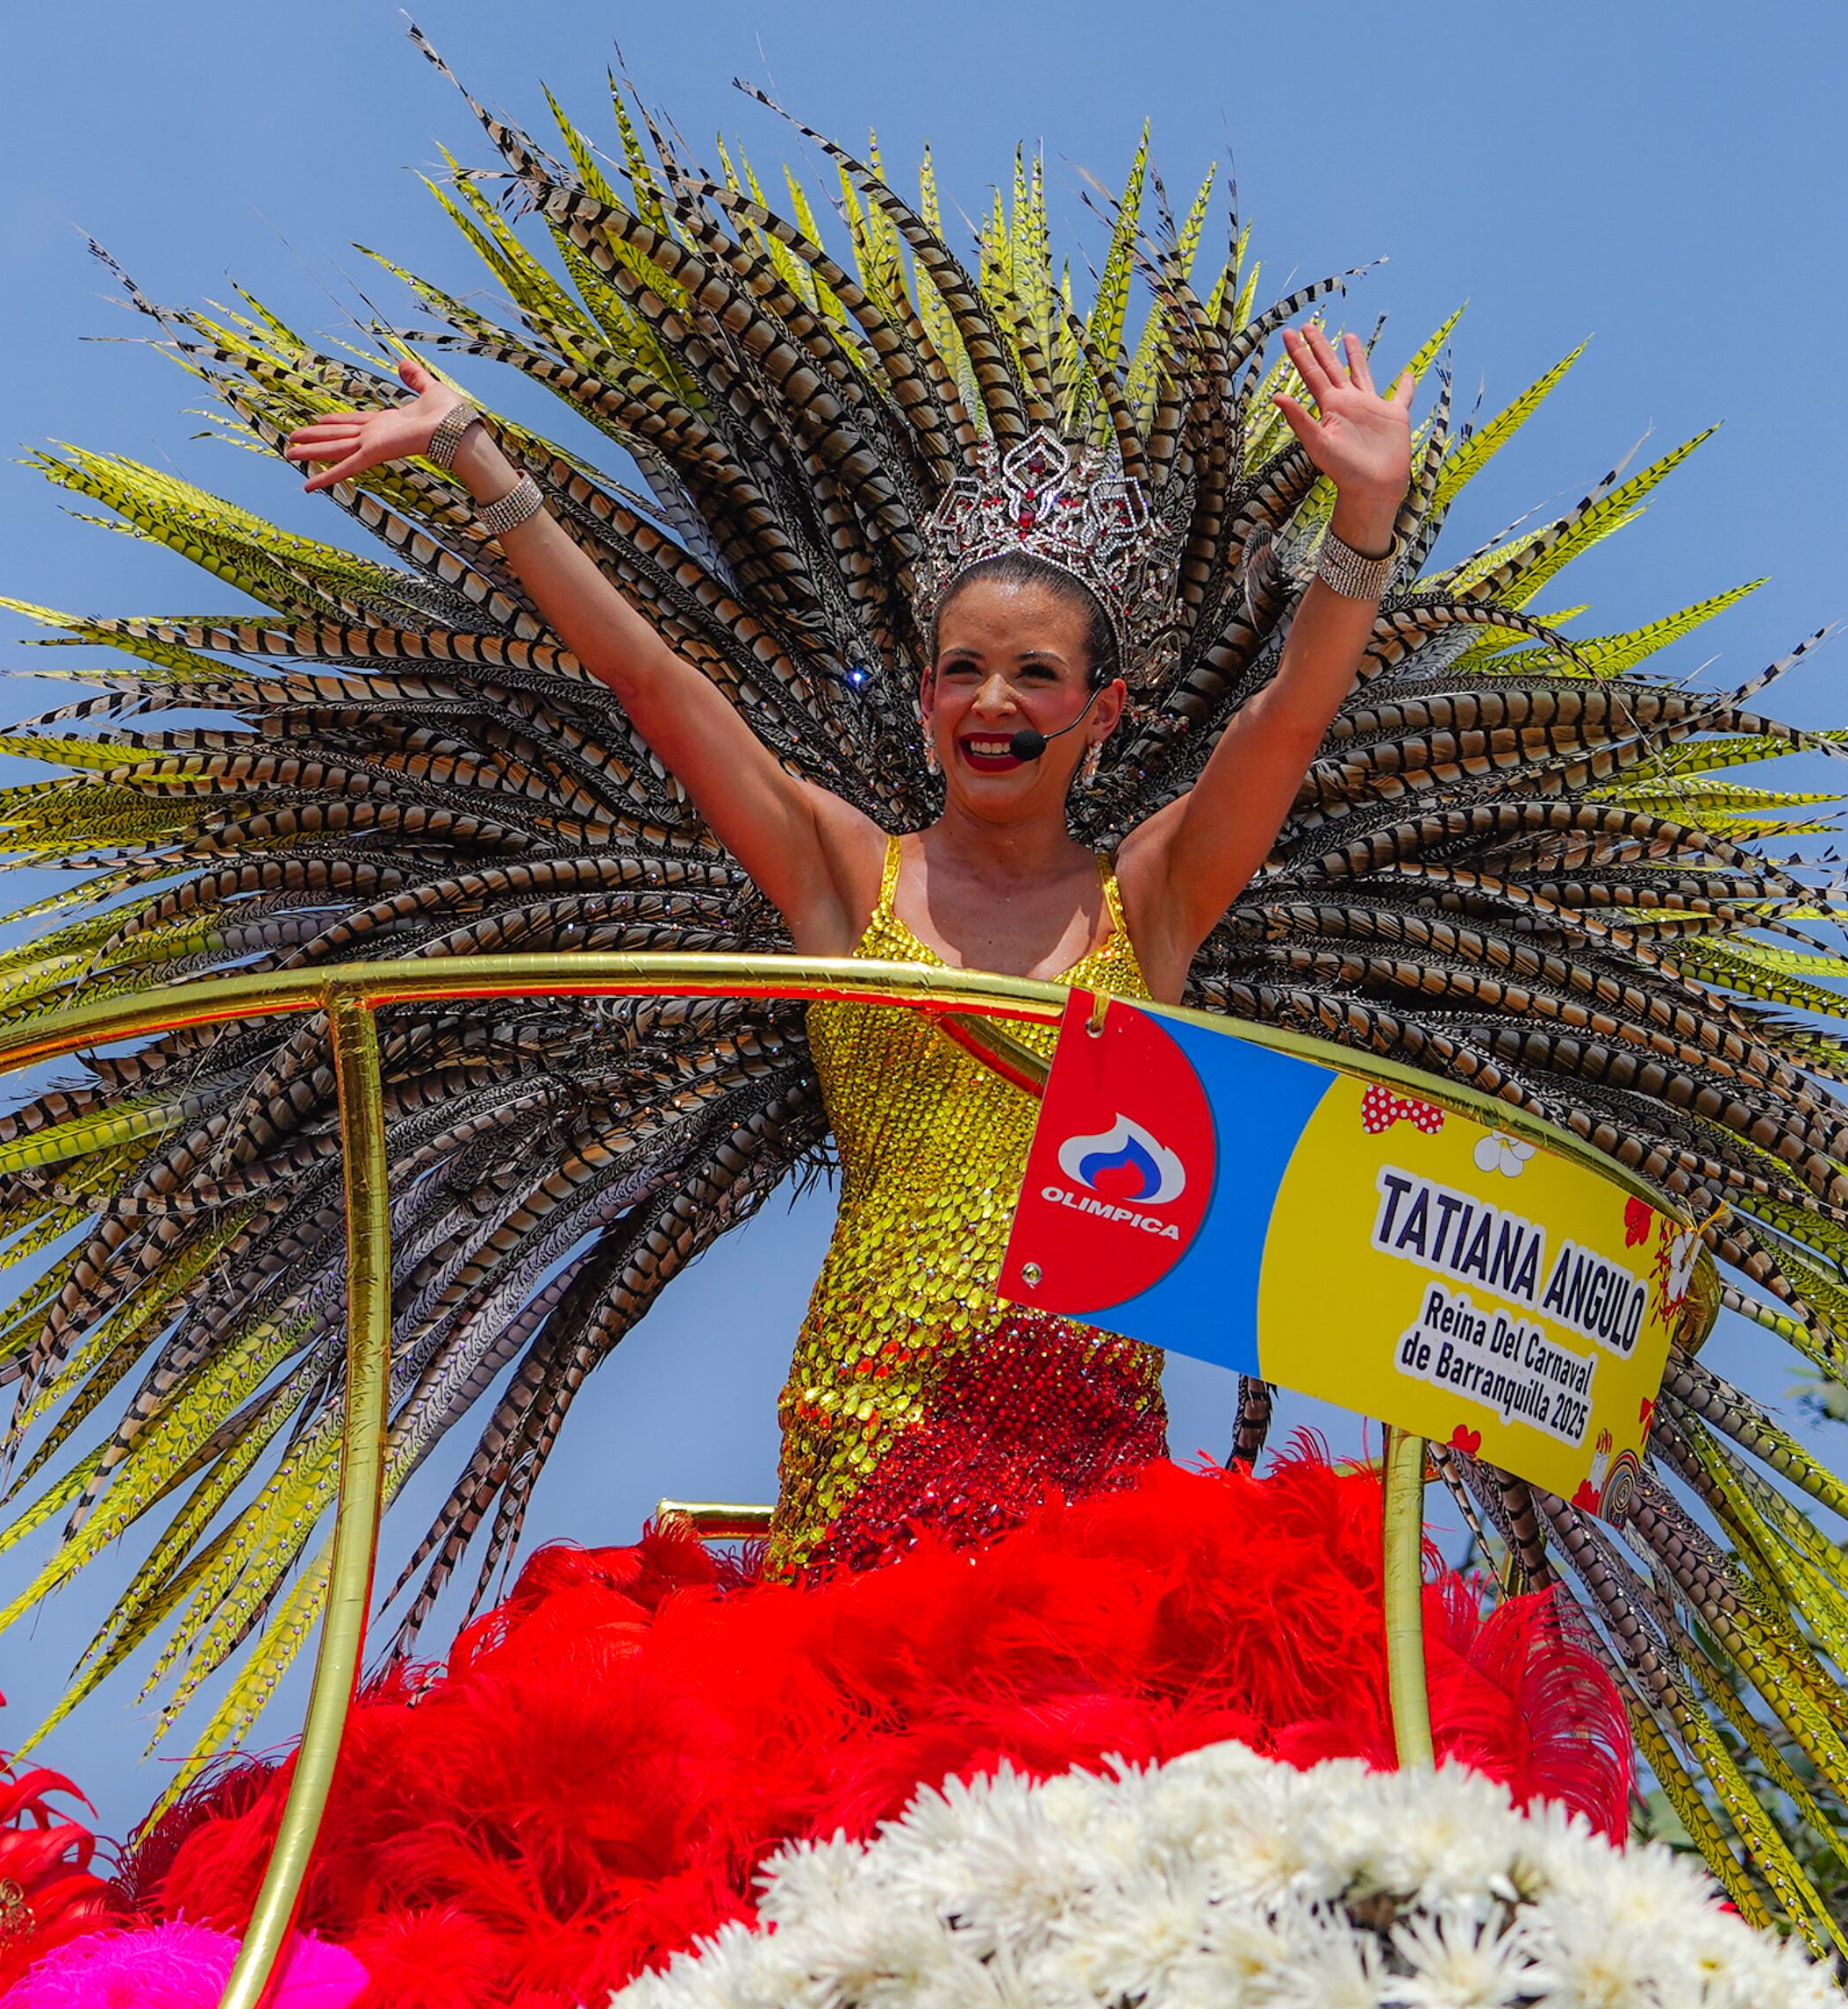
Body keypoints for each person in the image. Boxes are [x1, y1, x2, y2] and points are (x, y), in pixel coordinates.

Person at [279, 326, 1417, 1566]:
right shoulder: (844, 873)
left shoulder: (1151, 899)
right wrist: (477, 457)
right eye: (963, 669)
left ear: (1100, 713)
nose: (993, 702)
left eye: (1034, 676)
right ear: (926, 700)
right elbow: (652, 681)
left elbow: (1287, 717)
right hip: (870, 1423)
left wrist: (1365, 518)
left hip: (1095, 1453)